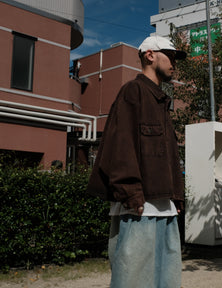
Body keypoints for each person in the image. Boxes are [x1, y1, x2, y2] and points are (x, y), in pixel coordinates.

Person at [87, 35, 186, 288]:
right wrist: (131, 193)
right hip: (139, 209)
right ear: (150, 55)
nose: (174, 62)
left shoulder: (161, 101)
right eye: (170, 55)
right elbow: (120, 145)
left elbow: (167, 157)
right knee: (134, 281)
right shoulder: (133, 91)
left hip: (165, 210)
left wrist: (177, 196)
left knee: (167, 281)